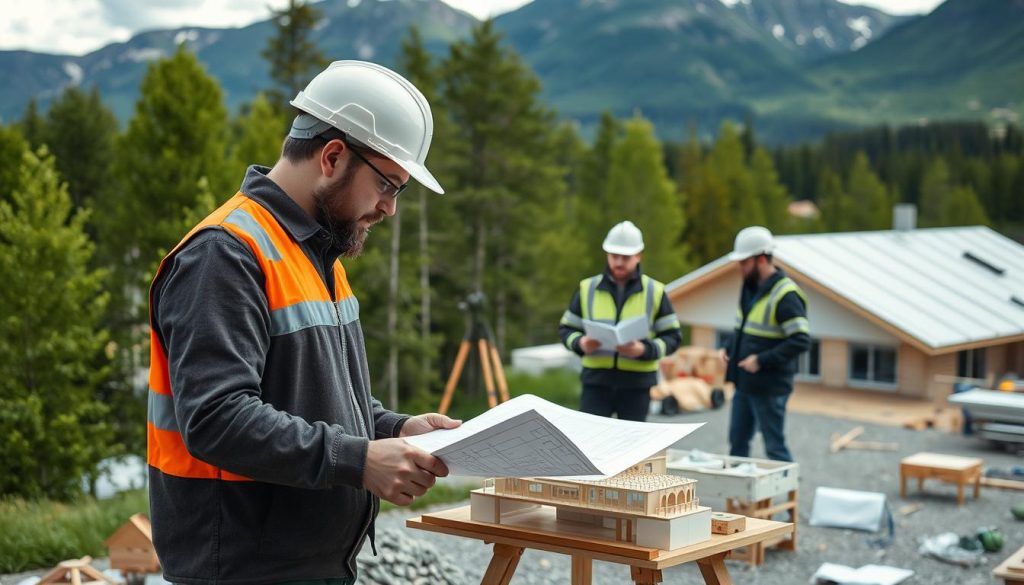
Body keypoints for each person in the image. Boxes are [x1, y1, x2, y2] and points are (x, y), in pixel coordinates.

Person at [146, 61, 460, 585]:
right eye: (387, 184)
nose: (389, 209)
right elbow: (217, 417)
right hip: (244, 570)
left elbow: (312, 397)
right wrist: (358, 459)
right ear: (333, 156)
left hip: (305, 566)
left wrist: (395, 428)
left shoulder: (317, 256)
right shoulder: (225, 255)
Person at [559, 221, 682, 422]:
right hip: (595, 384)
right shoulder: (586, 288)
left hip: (637, 387)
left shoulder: (655, 291)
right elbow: (566, 329)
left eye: (625, 257)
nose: (618, 262)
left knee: (633, 449)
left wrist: (644, 350)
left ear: (638, 255)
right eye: (614, 256)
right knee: (590, 446)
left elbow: (673, 337)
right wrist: (580, 343)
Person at [720, 226, 809, 462]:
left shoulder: (786, 294)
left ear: (760, 259)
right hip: (744, 383)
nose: (740, 267)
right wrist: (730, 347)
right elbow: (744, 326)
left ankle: (790, 495)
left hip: (770, 387)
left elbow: (800, 340)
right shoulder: (750, 288)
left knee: (774, 448)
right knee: (737, 443)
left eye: (743, 262)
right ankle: (739, 498)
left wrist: (761, 360)